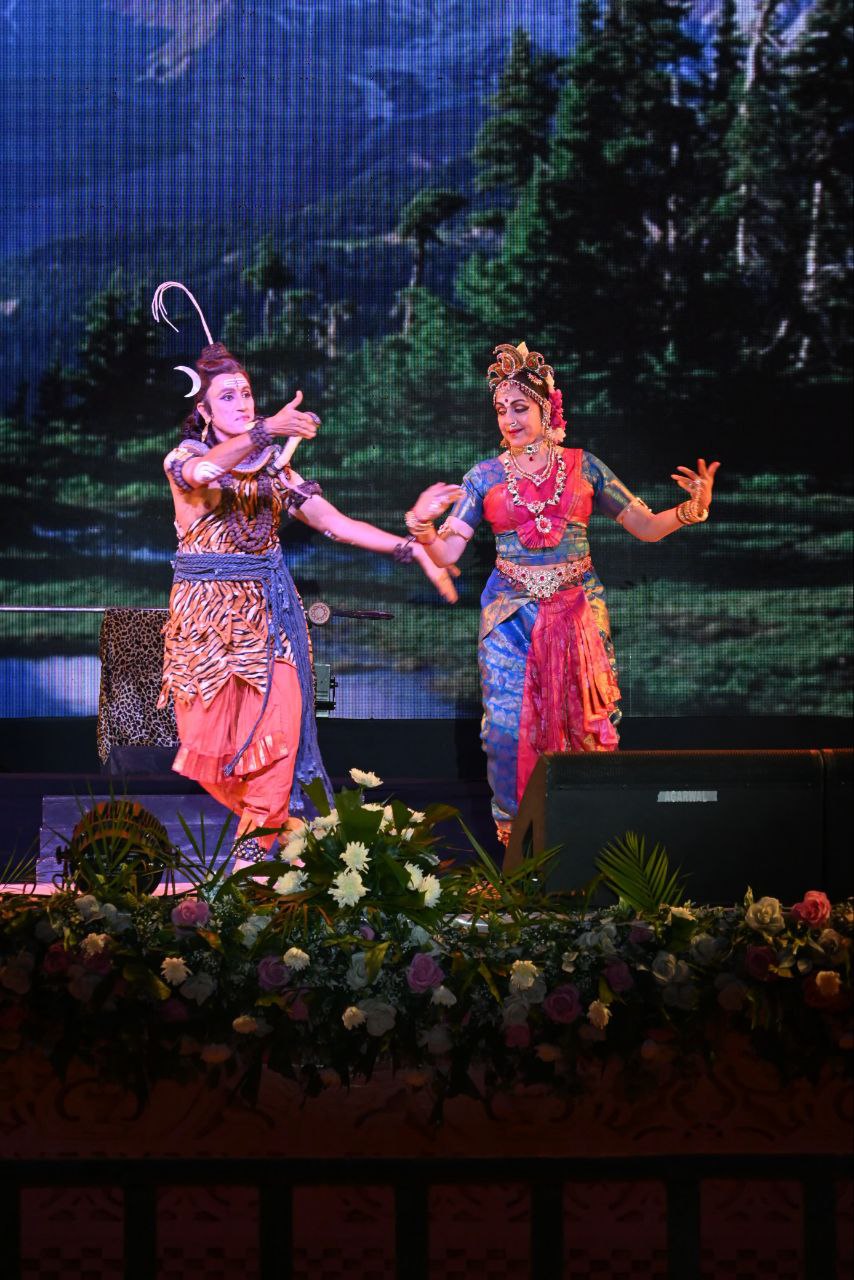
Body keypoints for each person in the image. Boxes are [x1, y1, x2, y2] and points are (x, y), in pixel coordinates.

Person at [407, 342, 719, 844]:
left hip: (577, 616)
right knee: (506, 736)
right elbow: (446, 556)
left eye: (520, 407)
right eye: (502, 410)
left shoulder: (584, 466)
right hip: (511, 620)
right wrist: (421, 526)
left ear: (547, 408)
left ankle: (588, 847)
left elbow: (643, 526)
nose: (510, 420)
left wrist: (690, 511)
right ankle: (520, 854)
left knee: (586, 729)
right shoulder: (483, 477)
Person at [158, 341, 458, 856]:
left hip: (270, 617)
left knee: (277, 746)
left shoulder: (276, 471)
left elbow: (336, 525)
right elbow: (206, 473)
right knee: (213, 756)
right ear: (203, 411)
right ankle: (290, 839)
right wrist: (267, 430)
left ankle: (250, 867)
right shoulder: (185, 458)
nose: (243, 404)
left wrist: (414, 549)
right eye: (227, 397)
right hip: (206, 624)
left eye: (247, 394)